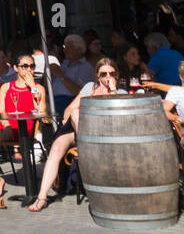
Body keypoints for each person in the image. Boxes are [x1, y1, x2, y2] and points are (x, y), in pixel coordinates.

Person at [29, 57, 121, 211]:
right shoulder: (89, 88)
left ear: (116, 74)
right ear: (97, 75)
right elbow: (69, 109)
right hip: (80, 130)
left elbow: (117, 115)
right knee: (57, 147)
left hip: (103, 133)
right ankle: (42, 197)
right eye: (103, 74)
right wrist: (69, 114)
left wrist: (112, 90)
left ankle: (85, 146)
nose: (107, 77)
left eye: (111, 74)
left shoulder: (120, 92)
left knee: (77, 113)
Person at [0, 53, 45, 207]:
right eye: (24, 66)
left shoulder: (39, 88)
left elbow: (41, 110)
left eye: (31, 66)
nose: (28, 70)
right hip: (7, 124)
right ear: (16, 68)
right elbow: (1, 112)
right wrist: (6, 124)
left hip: (24, 128)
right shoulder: (6, 87)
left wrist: (32, 87)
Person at [52, 34, 95, 114]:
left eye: (69, 47)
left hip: (69, 102)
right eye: (65, 47)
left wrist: (60, 74)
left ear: (79, 49)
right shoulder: (64, 63)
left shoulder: (85, 67)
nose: (65, 50)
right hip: (53, 98)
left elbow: (79, 91)